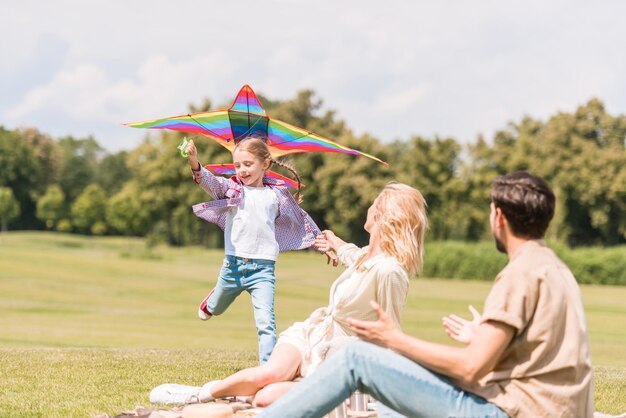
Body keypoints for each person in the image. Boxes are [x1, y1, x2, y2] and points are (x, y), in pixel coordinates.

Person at [258, 171, 594, 418]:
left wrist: (395, 340)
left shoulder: (519, 274)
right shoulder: (555, 268)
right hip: (549, 409)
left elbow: (470, 368)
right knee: (392, 406)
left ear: (499, 217)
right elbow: (542, 349)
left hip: (511, 412)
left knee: (356, 359)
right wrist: (481, 335)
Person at [149, 182, 429, 407]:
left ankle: (290, 390)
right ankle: (200, 394)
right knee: (270, 374)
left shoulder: (391, 271)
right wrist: (335, 242)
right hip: (313, 333)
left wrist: (382, 386)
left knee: (265, 397)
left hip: (339, 357)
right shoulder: (368, 255)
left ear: (381, 215)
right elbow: (354, 256)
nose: (369, 207)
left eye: (374, 203)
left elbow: (391, 335)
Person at [184, 137, 334, 365]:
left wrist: (320, 242)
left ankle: (267, 367)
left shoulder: (277, 195)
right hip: (233, 267)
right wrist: (194, 161)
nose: (242, 170)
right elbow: (210, 182)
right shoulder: (232, 189)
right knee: (215, 308)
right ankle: (212, 300)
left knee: (266, 321)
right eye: (237, 165)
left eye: (248, 164)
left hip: (263, 270)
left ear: (265, 164)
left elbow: (300, 221)